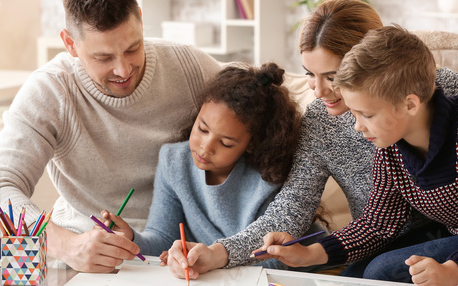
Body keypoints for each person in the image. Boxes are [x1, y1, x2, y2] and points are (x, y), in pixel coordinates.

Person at [163, 0, 458, 278]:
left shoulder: (440, 90)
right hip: (380, 238)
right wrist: (220, 253)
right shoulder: (332, 126)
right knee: (357, 276)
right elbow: (292, 211)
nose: (318, 91)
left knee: (379, 271)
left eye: (332, 76)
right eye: (309, 75)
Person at [0, 0, 220, 270]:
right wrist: (64, 244)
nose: (123, 69)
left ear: (141, 21)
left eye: (133, 48)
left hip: (176, 246)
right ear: (70, 44)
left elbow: (258, 95)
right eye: (103, 57)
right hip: (82, 241)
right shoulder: (51, 89)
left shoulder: (188, 66)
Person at [256, 25, 458, 286]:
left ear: (410, 104)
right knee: (351, 279)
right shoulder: (390, 147)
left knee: (382, 271)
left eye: (367, 115)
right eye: (355, 114)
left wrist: (455, 270)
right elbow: (378, 223)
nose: (358, 126)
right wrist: (308, 255)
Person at [99, 62, 308, 273]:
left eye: (225, 143)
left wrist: (210, 257)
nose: (205, 148)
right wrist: (131, 237)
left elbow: (275, 259)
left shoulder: (267, 178)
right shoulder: (174, 161)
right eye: (202, 129)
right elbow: (162, 237)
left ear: (251, 144)